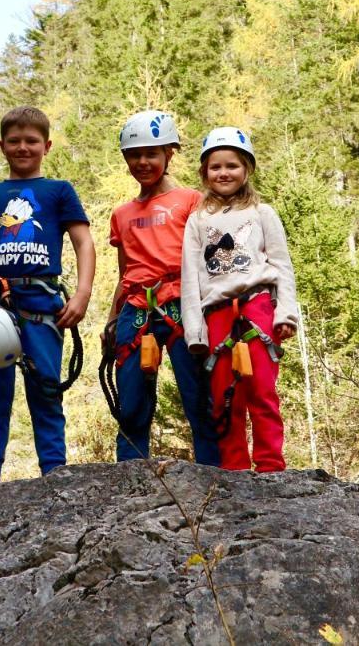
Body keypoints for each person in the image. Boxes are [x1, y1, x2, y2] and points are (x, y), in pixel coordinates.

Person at [0, 106, 95, 483]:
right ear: (2, 145)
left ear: (46, 145)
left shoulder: (59, 191)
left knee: (47, 390)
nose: (23, 147)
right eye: (14, 141)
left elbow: (83, 242)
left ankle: (54, 474)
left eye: (31, 141)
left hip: (42, 304)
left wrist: (81, 296)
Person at [101, 110, 219, 465]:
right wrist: (111, 321)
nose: (142, 162)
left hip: (183, 305)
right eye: (134, 155)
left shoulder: (192, 201)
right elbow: (125, 273)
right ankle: (129, 476)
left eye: (151, 153)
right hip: (135, 310)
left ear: (169, 153)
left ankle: (212, 477)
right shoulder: (122, 214)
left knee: (197, 396)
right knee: (132, 403)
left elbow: (209, 259)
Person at [181, 127, 298, 472]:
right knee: (223, 398)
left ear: (247, 168)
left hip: (258, 306)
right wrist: (195, 332)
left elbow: (282, 266)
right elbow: (191, 278)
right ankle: (233, 468)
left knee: (262, 391)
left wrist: (285, 314)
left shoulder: (263, 213)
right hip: (216, 314)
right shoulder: (198, 220)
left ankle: (270, 465)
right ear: (204, 173)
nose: (224, 173)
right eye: (215, 167)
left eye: (232, 165)